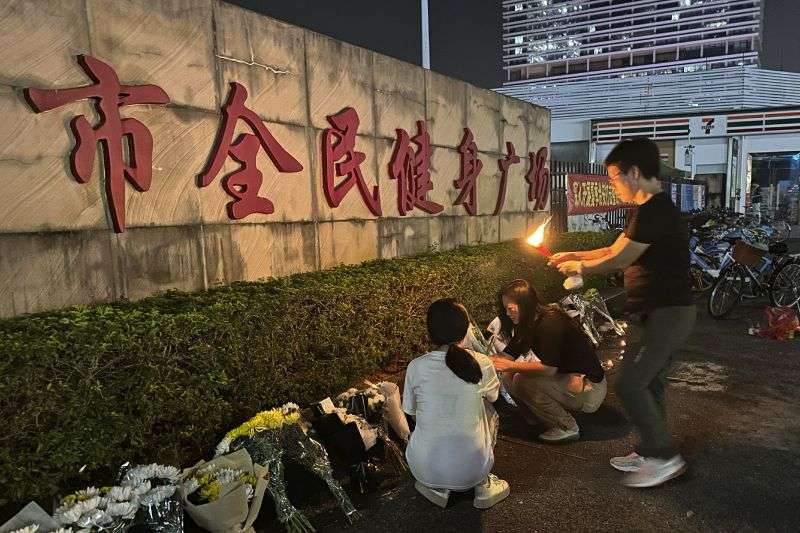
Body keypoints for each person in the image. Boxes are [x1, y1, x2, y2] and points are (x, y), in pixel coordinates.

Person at [549, 137, 696, 488]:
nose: (613, 184)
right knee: (650, 383)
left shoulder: (657, 210)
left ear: (634, 172)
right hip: (650, 312)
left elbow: (621, 259)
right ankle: (650, 450)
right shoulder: (644, 211)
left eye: (615, 177)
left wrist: (581, 270)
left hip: (668, 313)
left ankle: (665, 458)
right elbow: (615, 247)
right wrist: (575, 257)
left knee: (631, 384)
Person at [402, 298, 510, 509]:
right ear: (465, 329)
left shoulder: (416, 367)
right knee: (487, 408)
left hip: (423, 469)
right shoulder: (481, 362)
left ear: (430, 332)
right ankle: (483, 484)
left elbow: (410, 412)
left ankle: (437, 488)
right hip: (473, 470)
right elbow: (494, 398)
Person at [488, 279, 606, 443]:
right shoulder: (528, 323)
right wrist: (481, 360)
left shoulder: (549, 325)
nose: (507, 313)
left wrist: (510, 365)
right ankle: (535, 418)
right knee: (510, 376)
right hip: (570, 379)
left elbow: (548, 369)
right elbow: (507, 356)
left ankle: (567, 427)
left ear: (525, 305)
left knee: (522, 382)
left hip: (590, 388)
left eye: (510, 308)